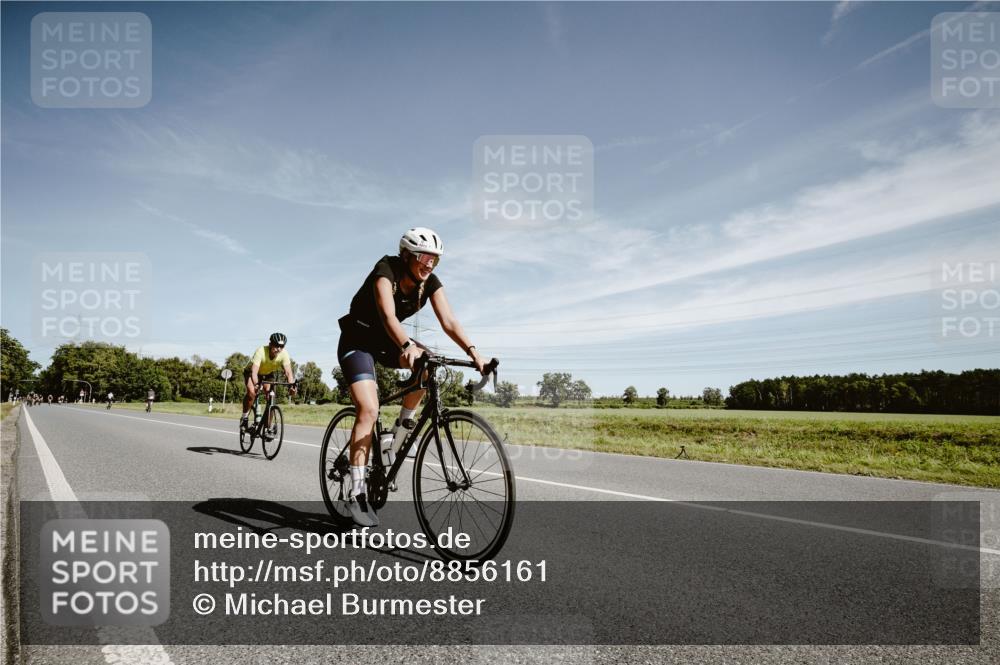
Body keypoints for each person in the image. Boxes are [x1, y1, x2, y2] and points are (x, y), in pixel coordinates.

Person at [336, 227, 487, 527]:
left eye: (435, 260)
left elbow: (449, 320)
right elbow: (387, 315)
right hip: (358, 340)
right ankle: (356, 492)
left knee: (428, 365)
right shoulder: (386, 269)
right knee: (369, 409)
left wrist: (474, 353)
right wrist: (406, 345)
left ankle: (399, 432)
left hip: (387, 342)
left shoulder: (429, 282)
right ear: (406, 256)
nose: (430, 265)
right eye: (425, 258)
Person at [241, 333, 297, 431]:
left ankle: (267, 428)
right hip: (252, 372)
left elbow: (288, 373)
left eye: (281, 346)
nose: (278, 349)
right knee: (251, 393)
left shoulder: (284, 354)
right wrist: (257, 384)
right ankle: (244, 418)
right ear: (270, 344)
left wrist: (292, 386)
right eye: (276, 345)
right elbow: (254, 372)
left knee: (271, 397)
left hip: (268, 374)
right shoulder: (261, 351)